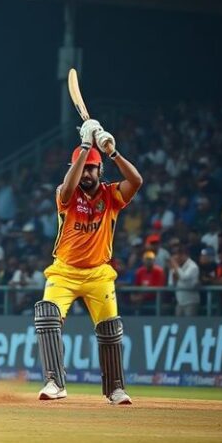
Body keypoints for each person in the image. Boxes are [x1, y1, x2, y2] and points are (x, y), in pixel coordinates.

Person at [34, 119, 142, 405]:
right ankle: (55, 382)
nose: (86, 173)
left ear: (100, 169)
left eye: (92, 168)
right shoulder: (66, 195)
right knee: (47, 316)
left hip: (98, 274)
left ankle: (115, 389)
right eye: (82, 168)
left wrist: (112, 151)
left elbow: (137, 181)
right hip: (64, 271)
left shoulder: (111, 195)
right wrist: (85, 147)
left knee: (110, 330)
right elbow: (67, 187)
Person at [168, 245, 200, 316]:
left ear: (184, 255)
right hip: (179, 301)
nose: (176, 258)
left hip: (190, 302)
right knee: (178, 322)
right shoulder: (177, 267)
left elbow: (184, 277)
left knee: (190, 322)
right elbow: (170, 285)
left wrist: (175, 265)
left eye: (178, 255)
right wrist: (172, 272)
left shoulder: (193, 266)